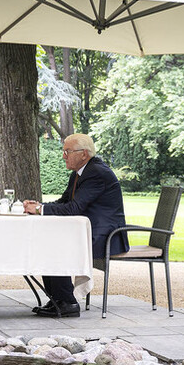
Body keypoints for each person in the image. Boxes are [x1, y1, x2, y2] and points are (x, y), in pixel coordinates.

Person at [23, 133, 128, 317]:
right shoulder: (80, 173)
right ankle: (58, 299)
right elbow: (64, 202)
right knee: (48, 242)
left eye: (67, 151)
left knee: (57, 245)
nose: (63, 156)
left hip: (105, 236)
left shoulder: (96, 173)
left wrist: (40, 210)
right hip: (89, 230)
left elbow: (74, 208)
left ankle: (68, 303)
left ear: (83, 154)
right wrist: (39, 206)